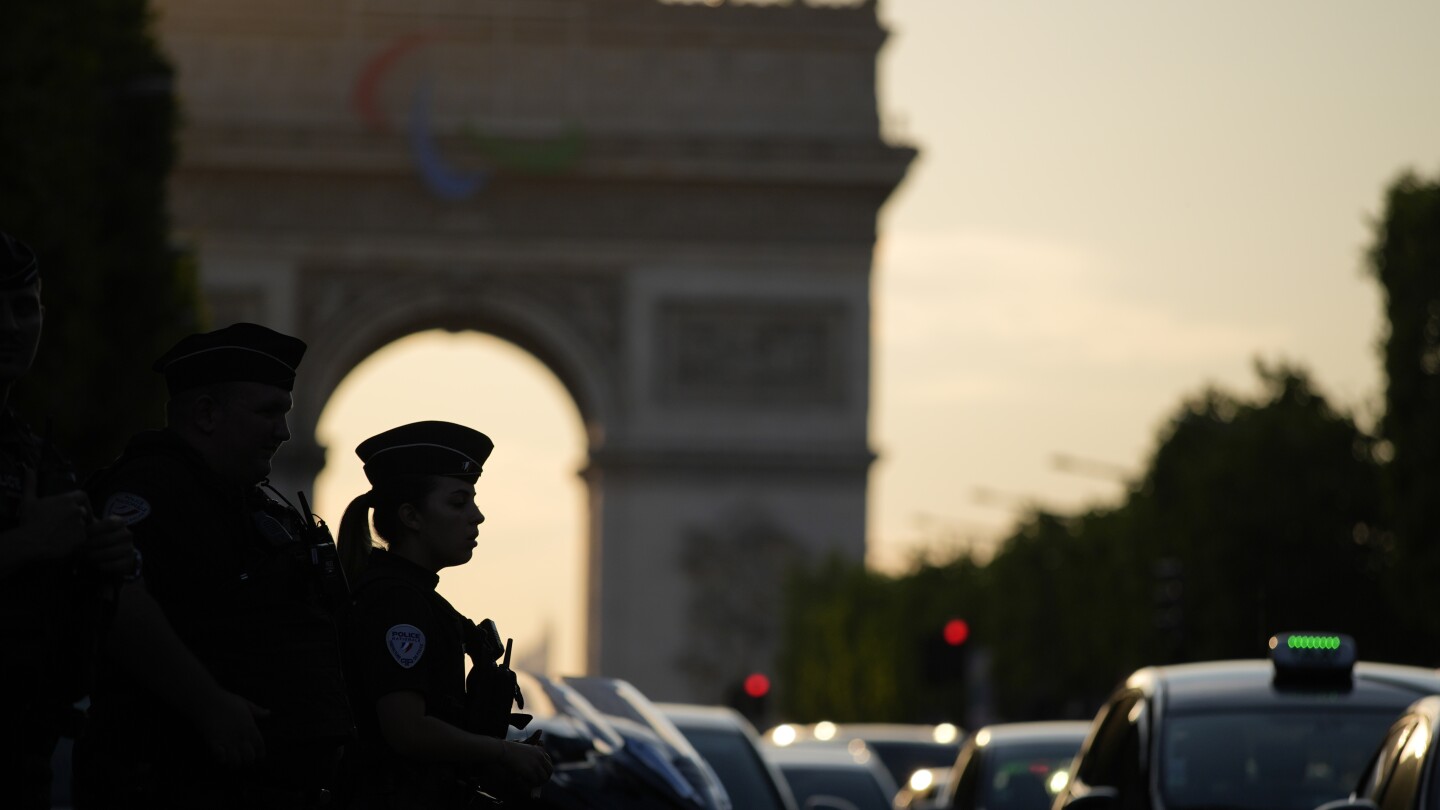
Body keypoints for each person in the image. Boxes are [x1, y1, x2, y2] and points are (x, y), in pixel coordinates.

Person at [78, 322, 353, 808]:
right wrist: (209, 705)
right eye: (268, 412)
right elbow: (120, 601)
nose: (283, 432)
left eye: (286, 413)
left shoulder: (253, 504)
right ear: (205, 413)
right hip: (175, 779)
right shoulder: (150, 491)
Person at [337, 420, 553, 808]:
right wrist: (503, 753)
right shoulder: (396, 603)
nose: (477, 516)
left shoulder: (410, 596)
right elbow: (406, 729)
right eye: (458, 502)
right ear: (411, 517)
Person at [0, 230, 138, 808]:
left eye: (24, 306)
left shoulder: (38, 453)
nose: (11, 326)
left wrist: (103, 568)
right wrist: (22, 545)